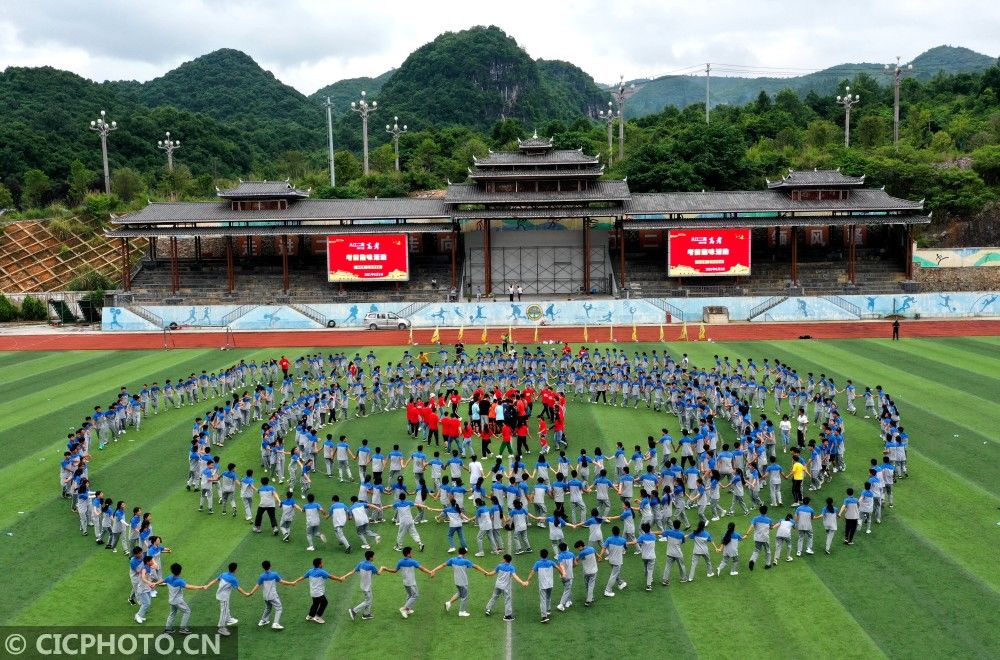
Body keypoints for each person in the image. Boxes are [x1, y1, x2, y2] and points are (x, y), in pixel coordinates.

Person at [430, 547, 488, 617]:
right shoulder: (466, 561)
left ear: (458, 552)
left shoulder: (452, 560)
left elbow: (443, 565)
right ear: (465, 553)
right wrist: (485, 572)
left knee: (460, 593)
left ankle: (449, 603)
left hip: (457, 581)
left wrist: (434, 570)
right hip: (463, 582)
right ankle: (462, 611)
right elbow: (476, 566)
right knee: (464, 596)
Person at [380, 546, 434, 619]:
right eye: (411, 552)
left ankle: (408, 610)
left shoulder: (400, 561)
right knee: (415, 595)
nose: (412, 553)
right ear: (408, 554)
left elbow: (394, 571)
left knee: (409, 595)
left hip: (405, 582)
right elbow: (421, 568)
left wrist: (386, 569)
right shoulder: (413, 561)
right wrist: (430, 572)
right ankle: (404, 609)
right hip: (411, 582)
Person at [247, 560, 298, 630]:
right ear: (270, 566)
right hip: (273, 596)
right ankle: (275, 623)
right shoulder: (274, 574)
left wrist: (251, 593)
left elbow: (257, 585)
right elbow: (282, 582)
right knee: (279, 608)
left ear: (263, 567)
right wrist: (292, 583)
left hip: (265, 596)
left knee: (268, 607)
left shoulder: (262, 576)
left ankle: (263, 620)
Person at [162, 563, 209, 634]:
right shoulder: (179, 581)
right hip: (178, 601)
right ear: (180, 571)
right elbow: (189, 587)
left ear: (172, 571)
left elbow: (162, 580)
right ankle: (182, 629)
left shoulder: (169, 578)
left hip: (171, 600)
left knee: (172, 613)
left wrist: (155, 583)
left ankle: (167, 629)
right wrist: (201, 587)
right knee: (187, 611)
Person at [206, 562, 251, 637]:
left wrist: (208, 585)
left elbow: (215, 580)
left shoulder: (223, 574)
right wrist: (245, 593)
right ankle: (221, 627)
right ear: (235, 569)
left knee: (226, 608)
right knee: (224, 611)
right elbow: (238, 588)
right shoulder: (233, 579)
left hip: (220, 595)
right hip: (224, 597)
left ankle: (229, 619)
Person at [296, 557, 342, 624]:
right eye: (322, 562)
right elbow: (331, 576)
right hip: (318, 593)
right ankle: (317, 617)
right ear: (320, 564)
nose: (323, 563)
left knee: (315, 604)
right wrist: (339, 579)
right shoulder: (321, 571)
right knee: (324, 602)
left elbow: (303, 577)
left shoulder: (310, 571)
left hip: (312, 592)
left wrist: (295, 581)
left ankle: (310, 616)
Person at [524, 548, 565, 623]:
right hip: (550, 584)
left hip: (543, 585)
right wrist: (562, 574)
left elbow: (532, 572)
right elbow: (558, 568)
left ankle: (544, 616)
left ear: (540, 555)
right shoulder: (551, 562)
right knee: (548, 597)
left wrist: (528, 580)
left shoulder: (538, 563)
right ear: (547, 555)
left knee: (543, 599)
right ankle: (548, 610)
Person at [484, 554, 527, 621]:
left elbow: (492, 573)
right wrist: (522, 582)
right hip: (505, 587)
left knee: (494, 597)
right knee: (507, 600)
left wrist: (487, 574)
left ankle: (488, 609)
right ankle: (507, 616)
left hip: (497, 585)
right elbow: (515, 577)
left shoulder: (499, 566)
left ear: (505, 560)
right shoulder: (511, 568)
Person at [344, 550, 380, 621]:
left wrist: (345, 576)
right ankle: (354, 610)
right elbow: (378, 573)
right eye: (373, 556)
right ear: (370, 558)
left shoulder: (361, 563)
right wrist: (383, 568)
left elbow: (352, 572)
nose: (374, 557)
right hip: (367, 587)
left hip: (363, 585)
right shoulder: (371, 566)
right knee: (368, 601)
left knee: (370, 599)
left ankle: (366, 614)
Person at [599, 525, 628, 597]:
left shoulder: (609, 539)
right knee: (613, 575)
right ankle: (607, 590)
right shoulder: (623, 540)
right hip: (617, 561)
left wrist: (600, 556)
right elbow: (626, 547)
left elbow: (604, 548)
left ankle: (620, 583)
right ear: (619, 532)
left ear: (612, 532)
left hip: (611, 560)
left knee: (615, 573)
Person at [745, 505, 773, 571]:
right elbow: (771, 527)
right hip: (765, 538)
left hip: (757, 538)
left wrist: (747, 534)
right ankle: (768, 564)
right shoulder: (769, 520)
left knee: (756, 551)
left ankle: (752, 560)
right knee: (767, 551)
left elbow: (751, 526)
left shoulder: (755, 518)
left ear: (759, 511)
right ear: (766, 511)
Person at [661, 519, 687, 586]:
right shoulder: (681, 534)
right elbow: (683, 542)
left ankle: (665, 580)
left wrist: (651, 532)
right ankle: (683, 578)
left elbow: (662, 533)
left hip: (669, 552)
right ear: (679, 526)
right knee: (682, 566)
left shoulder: (668, 532)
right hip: (678, 553)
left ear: (673, 525)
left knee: (668, 566)